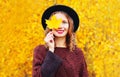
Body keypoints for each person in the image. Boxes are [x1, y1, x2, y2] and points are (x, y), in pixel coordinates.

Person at [32, 5, 88, 77]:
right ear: (50, 26)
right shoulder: (40, 51)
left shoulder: (77, 53)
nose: (60, 26)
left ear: (70, 26)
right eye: (56, 22)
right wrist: (51, 51)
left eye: (64, 22)